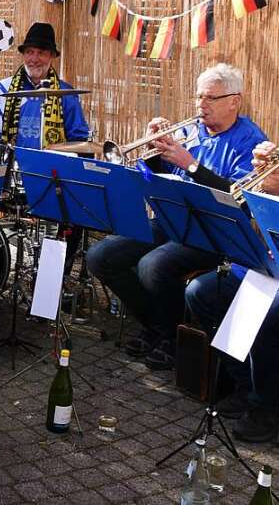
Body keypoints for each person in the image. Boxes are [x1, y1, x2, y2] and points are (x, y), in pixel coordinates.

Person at [88, 63, 266, 370]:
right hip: (174, 218)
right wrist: (154, 151)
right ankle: (157, 326)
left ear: (234, 100)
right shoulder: (192, 131)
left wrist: (192, 165)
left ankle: (170, 336)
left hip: (214, 230)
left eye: (210, 98)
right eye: (198, 97)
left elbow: (238, 198)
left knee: (153, 265)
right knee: (100, 256)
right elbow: (159, 178)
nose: (201, 105)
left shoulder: (250, 141)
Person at [185, 140, 279, 442]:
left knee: (268, 313)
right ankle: (245, 384)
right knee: (202, 291)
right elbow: (248, 217)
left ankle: (266, 407)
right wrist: (268, 190)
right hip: (266, 263)